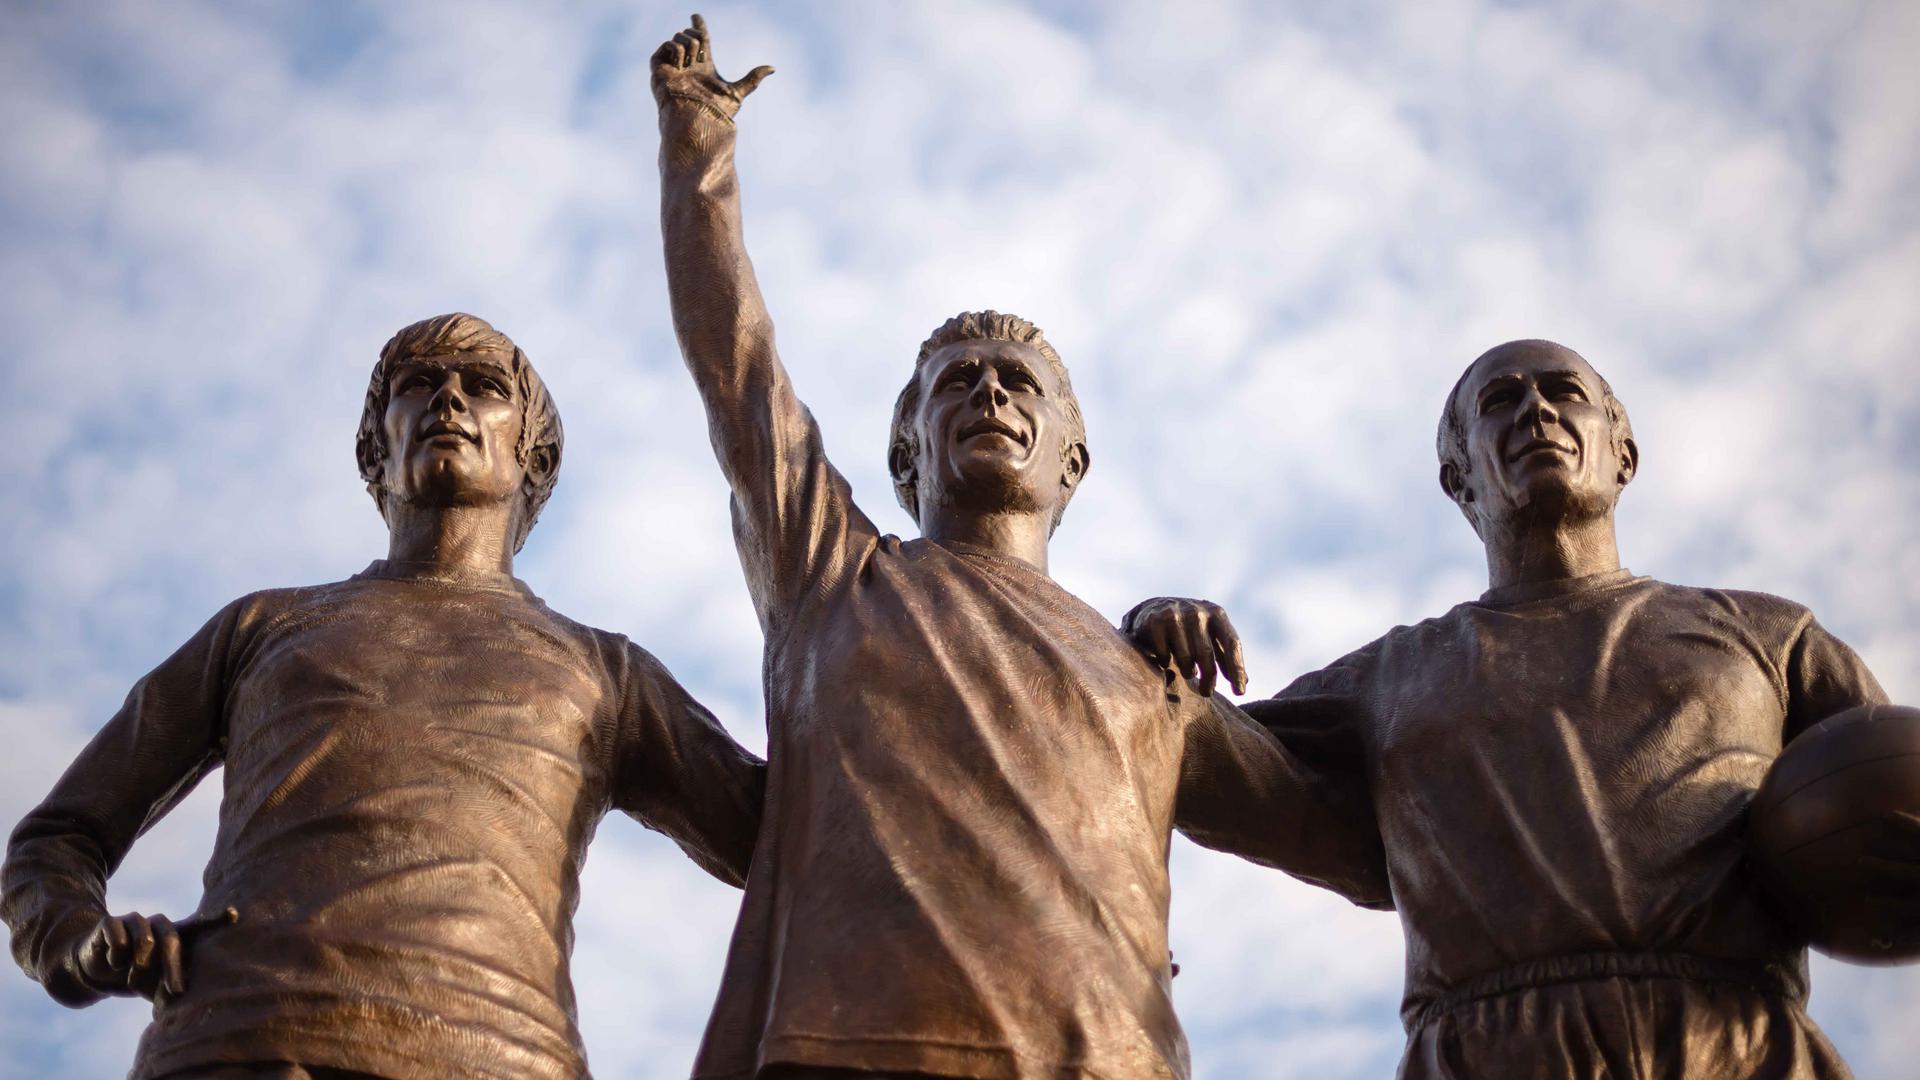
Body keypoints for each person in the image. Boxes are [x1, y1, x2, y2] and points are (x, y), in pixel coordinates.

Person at [650, 16, 1387, 1080]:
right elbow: (738, 366)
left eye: (1017, 381)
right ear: (907, 453)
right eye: (956, 382)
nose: (989, 389)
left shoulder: (1150, 680)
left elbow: (1353, 842)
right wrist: (698, 152)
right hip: (854, 1050)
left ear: (1071, 461)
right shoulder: (837, 577)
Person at [2, 314, 766, 1080]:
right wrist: (71, 938)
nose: (450, 401)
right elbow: (57, 839)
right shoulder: (263, 628)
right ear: (376, 447)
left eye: (485, 387)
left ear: (534, 453)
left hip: (499, 1057)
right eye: (419, 385)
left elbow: (786, 836)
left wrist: (864, 647)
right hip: (240, 1043)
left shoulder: (607, 675)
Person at [1129, 338, 1903, 1079]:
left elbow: (1898, 790)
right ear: (1459, 479)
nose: (1536, 411)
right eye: (1501, 401)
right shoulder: (1393, 676)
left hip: (1736, 1043)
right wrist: (1151, 644)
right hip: (1490, 1051)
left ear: (1623, 454)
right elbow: (1187, 753)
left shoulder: (1769, 636)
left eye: (1564, 392)